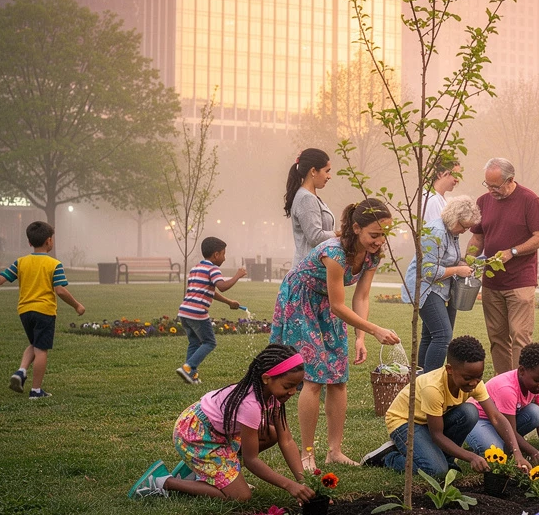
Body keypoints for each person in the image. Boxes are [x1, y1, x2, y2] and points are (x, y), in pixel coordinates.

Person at [271, 198, 400, 468]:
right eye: (373, 235)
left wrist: (361, 337)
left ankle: (334, 451)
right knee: (314, 378)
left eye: (383, 235)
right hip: (302, 302)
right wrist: (376, 330)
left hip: (329, 305)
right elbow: (338, 305)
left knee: (339, 378)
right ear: (356, 228)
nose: (379, 241)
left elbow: (361, 297)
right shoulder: (335, 253)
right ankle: (307, 453)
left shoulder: (373, 255)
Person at [128, 344, 320, 501]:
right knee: (240, 496)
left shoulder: (272, 397)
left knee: (271, 433)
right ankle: (163, 481)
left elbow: (285, 440)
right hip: (197, 435)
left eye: (297, 386)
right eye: (288, 386)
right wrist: (289, 484)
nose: (293, 392)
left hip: (218, 432)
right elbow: (252, 460)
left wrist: (304, 483)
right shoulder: (251, 404)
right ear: (266, 378)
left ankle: (205, 474)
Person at [364, 334, 530, 478]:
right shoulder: (433, 388)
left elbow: (496, 417)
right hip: (405, 422)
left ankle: (445, 459)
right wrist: (470, 456)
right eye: (467, 378)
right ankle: (388, 457)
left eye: (478, 377)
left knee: (470, 412)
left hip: (430, 420)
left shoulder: (474, 382)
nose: (473, 383)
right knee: (435, 471)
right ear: (450, 369)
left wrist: (517, 453)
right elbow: (436, 434)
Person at [0, 220, 85, 399]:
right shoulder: (54, 264)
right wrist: (77, 305)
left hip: (25, 311)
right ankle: (36, 390)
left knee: (34, 344)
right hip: (45, 311)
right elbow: (60, 290)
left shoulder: (21, 262)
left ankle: (21, 371)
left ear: (29, 242)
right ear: (49, 241)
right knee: (41, 349)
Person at [465, 157, 539, 374]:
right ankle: (503, 386)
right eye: (487, 185)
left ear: (510, 180)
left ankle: (522, 386)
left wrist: (513, 252)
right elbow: (477, 238)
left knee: (520, 336)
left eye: (495, 186)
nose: (491, 190)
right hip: (492, 282)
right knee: (497, 338)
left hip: (520, 281)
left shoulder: (529, 200)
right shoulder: (483, 201)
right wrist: (469, 259)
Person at [402, 194, 479, 372]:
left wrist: (460, 264)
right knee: (443, 335)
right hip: (426, 287)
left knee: (430, 336)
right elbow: (427, 270)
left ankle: (419, 378)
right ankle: (431, 380)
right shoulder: (436, 231)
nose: (465, 231)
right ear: (455, 218)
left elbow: (446, 259)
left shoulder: (451, 232)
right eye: (464, 226)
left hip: (442, 287)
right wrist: (458, 271)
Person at [465, 342, 539, 462]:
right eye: (538, 380)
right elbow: (509, 430)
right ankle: (489, 442)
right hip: (478, 420)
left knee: (536, 413)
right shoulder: (507, 389)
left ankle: (504, 442)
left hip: (502, 421)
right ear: (522, 371)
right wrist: (533, 451)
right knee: (496, 450)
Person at [175, 236, 247, 385]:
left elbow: (211, 291)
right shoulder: (213, 269)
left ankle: (190, 375)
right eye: (223, 254)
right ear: (216, 255)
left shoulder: (196, 268)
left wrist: (228, 302)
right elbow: (222, 286)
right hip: (197, 312)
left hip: (184, 311)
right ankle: (188, 367)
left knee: (194, 342)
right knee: (209, 342)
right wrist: (237, 276)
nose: (224, 258)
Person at [284, 148, 335, 269]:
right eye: (327, 171)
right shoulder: (306, 199)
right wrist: (340, 234)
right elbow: (315, 237)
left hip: (314, 271)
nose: (329, 176)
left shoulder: (310, 197)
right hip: (307, 274)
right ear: (313, 171)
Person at [423, 155, 462, 223]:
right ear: (440, 174)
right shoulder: (431, 199)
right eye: (455, 175)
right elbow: (435, 231)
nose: (457, 180)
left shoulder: (440, 198)